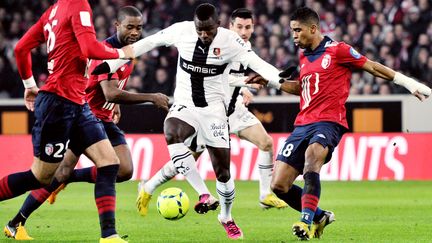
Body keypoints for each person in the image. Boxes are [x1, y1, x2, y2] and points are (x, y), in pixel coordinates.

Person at [93, 3, 286, 240]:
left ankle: (226, 216)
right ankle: (204, 194)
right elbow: (148, 42)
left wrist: (279, 78)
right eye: (199, 30)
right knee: (171, 130)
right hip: (185, 104)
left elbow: (259, 64)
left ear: (217, 26)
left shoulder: (231, 42)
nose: (204, 35)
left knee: (223, 173)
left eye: (208, 31)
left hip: (214, 111)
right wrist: (111, 62)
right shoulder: (182, 30)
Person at [246, 6, 431, 241]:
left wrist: (408, 83)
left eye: (297, 30)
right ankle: (320, 216)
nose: (293, 36)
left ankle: (305, 221)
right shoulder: (304, 55)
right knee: (279, 186)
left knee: (312, 159)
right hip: (302, 123)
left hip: (329, 122)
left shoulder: (338, 50)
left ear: (313, 29)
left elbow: (372, 66)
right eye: (291, 31)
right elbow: (303, 89)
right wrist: (273, 82)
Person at [3, 6, 169, 241]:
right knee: (46, 176)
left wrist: (29, 84)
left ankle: (108, 235)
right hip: (71, 106)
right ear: (117, 26)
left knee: (119, 168)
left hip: (88, 111)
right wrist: (150, 97)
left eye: (138, 28)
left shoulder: (54, 11)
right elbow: (108, 89)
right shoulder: (108, 46)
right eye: (129, 27)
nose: (134, 32)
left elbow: (111, 90)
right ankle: (16, 222)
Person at [135, 8, 288, 220]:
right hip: (211, 112)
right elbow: (220, 77)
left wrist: (250, 83)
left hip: (234, 111)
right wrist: (245, 84)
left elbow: (232, 76)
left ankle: (264, 194)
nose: (244, 32)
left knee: (266, 143)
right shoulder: (221, 44)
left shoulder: (244, 48)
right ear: (228, 27)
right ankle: (148, 187)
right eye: (239, 27)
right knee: (186, 161)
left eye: (248, 27)